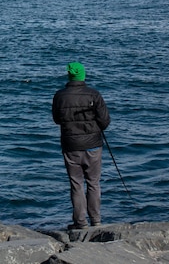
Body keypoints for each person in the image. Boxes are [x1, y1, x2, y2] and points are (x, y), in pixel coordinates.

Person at [52, 62, 111, 230]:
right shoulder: (93, 94)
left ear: (69, 75)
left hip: (70, 145)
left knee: (76, 184)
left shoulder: (60, 96)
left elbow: (56, 120)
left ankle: (81, 222)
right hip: (93, 145)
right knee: (93, 182)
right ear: (83, 75)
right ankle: (96, 220)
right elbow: (105, 121)